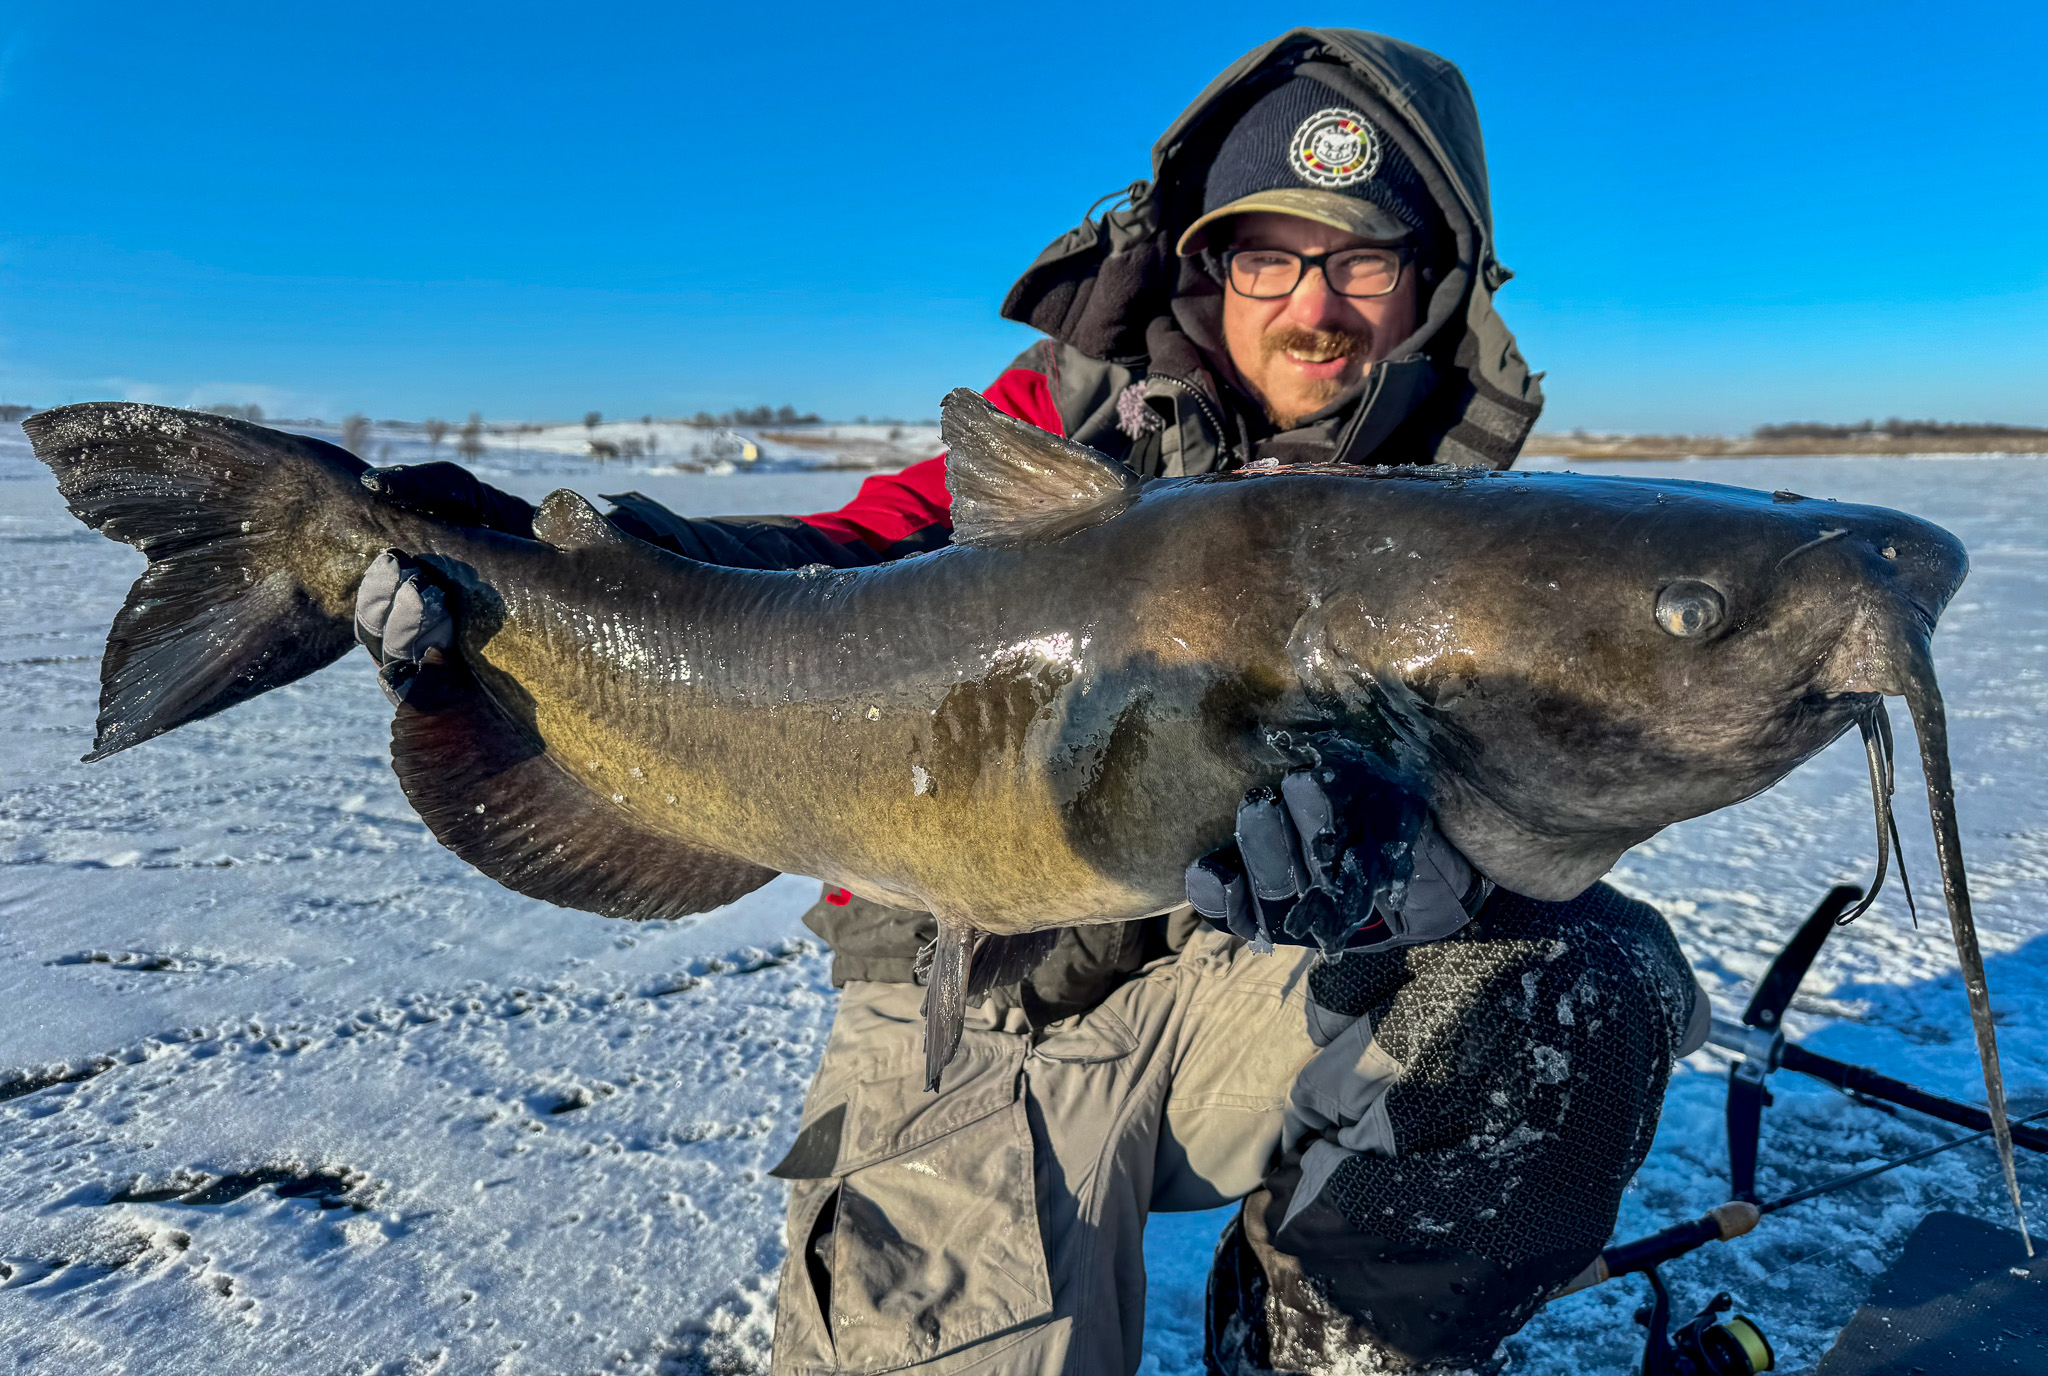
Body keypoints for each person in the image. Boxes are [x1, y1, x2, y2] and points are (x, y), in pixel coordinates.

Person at [357, 28, 1710, 1375]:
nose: (1316, 305)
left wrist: (1437, 883)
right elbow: (845, 560)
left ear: (1436, 284)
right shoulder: (1055, 435)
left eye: (1363, 258)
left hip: (1259, 994)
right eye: (1269, 257)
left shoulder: (1476, 535)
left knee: (1576, 987)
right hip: (975, 998)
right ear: (1202, 270)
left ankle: (1322, 1346)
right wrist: (553, 569)